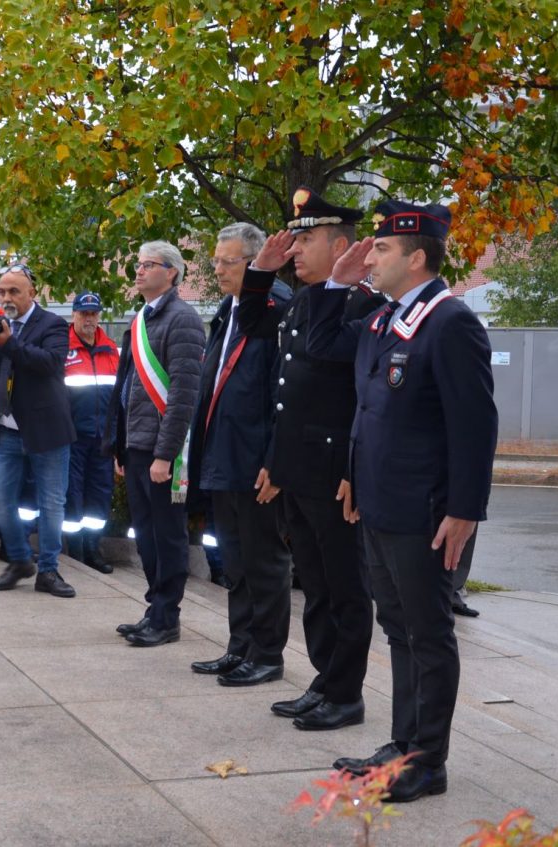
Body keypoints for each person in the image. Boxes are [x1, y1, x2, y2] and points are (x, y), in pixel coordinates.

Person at [308, 199, 498, 803]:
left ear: (417, 259)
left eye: (383, 249)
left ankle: (427, 761)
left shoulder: (450, 322)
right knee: (397, 628)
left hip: (425, 511)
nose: (370, 257)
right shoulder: (384, 319)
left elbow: (475, 427)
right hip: (379, 502)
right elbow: (328, 354)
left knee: (428, 633)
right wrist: (337, 286)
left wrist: (465, 511)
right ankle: (402, 743)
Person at [237, 188, 384, 730]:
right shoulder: (305, 301)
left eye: (306, 240)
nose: (295, 249)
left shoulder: (364, 304)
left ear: (341, 247)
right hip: (297, 469)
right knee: (316, 587)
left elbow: (360, 396)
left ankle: (346, 694)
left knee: (345, 588)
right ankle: (325, 679)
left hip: (333, 473)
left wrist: (352, 469)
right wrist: (260, 271)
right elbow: (256, 329)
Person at [188, 223, 293, 679]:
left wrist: (274, 459)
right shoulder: (228, 309)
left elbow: (282, 393)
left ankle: (267, 655)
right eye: (216, 260)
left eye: (227, 261)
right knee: (235, 559)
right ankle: (240, 646)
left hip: (254, 458)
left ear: (256, 262)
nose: (217, 269)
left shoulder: (276, 306)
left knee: (263, 561)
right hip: (224, 451)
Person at [109, 241, 206, 646]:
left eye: (149, 264)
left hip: (161, 451)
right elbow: (125, 387)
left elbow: (183, 395)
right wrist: (119, 444)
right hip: (137, 446)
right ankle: (155, 608)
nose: (139, 270)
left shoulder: (183, 320)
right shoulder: (141, 319)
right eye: (139, 263)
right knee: (146, 534)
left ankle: (168, 616)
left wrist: (165, 455)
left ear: (172, 273)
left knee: (166, 535)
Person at [0, 264, 78, 597]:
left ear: (32, 293)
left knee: (51, 503)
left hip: (48, 431)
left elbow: (50, 363)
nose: (7, 298)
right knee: (0, 500)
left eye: (14, 291)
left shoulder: (53, 324)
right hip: (6, 430)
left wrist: (9, 342)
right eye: (2, 292)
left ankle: (48, 570)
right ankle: (19, 559)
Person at [62, 292, 121, 573]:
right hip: (73, 438)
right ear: (74, 314)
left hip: (103, 439)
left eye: (93, 313)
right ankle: (74, 551)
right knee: (72, 494)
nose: (89, 318)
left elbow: (119, 399)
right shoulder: (63, 349)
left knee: (100, 494)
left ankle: (92, 549)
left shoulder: (110, 349)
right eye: (84, 313)